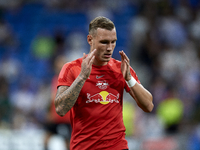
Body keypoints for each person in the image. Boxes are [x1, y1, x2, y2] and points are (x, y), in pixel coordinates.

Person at [54, 16, 154, 150]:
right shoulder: (72, 69)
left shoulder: (122, 69)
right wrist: (82, 77)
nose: (110, 48)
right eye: (104, 42)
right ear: (90, 39)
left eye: (113, 42)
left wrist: (129, 78)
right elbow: (60, 109)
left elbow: (149, 105)